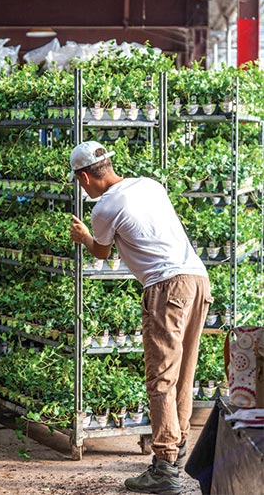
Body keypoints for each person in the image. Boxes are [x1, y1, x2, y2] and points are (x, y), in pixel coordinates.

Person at [69, 141, 213, 495]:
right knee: (182, 375)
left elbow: (102, 252)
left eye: (79, 181)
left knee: (160, 379)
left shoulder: (104, 208)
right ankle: (173, 456)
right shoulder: (150, 184)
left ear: (85, 176)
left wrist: (84, 237)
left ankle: (164, 469)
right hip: (197, 280)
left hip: (166, 288)